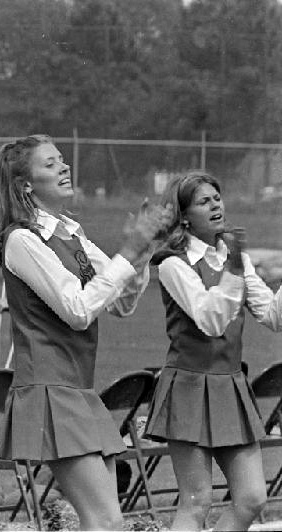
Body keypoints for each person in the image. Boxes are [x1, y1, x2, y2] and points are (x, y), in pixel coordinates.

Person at [0, 134, 171, 530]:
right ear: (26, 186)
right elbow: (78, 310)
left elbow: (120, 301)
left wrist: (142, 252)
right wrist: (129, 251)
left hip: (76, 390)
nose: (64, 167)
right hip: (49, 390)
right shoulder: (23, 239)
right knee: (104, 521)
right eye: (50, 164)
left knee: (104, 521)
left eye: (62, 160)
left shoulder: (72, 233)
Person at [143, 171, 282, 531]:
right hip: (189, 387)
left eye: (217, 197)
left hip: (230, 386)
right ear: (185, 215)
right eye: (204, 201)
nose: (216, 204)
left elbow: (272, 315)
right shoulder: (173, 263)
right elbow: (211, 320)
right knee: (196, 502)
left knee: (252, 498)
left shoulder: (234, 259)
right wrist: (235, 267)